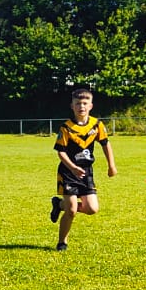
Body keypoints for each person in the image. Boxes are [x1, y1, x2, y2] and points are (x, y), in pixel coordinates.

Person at [50, 86, 116, 252]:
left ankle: (59, 204)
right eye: (78, 103)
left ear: (91, 106)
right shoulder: (66, 127)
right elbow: (61, 152)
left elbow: (106, 144)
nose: (82, 106)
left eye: (85, 103)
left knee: (92, 209)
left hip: (86, 173)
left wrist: (111, 165)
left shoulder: (96, 124)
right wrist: (73, 167)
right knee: (72, 211)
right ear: (72, 106)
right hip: (68, 172)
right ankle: (62, 242)